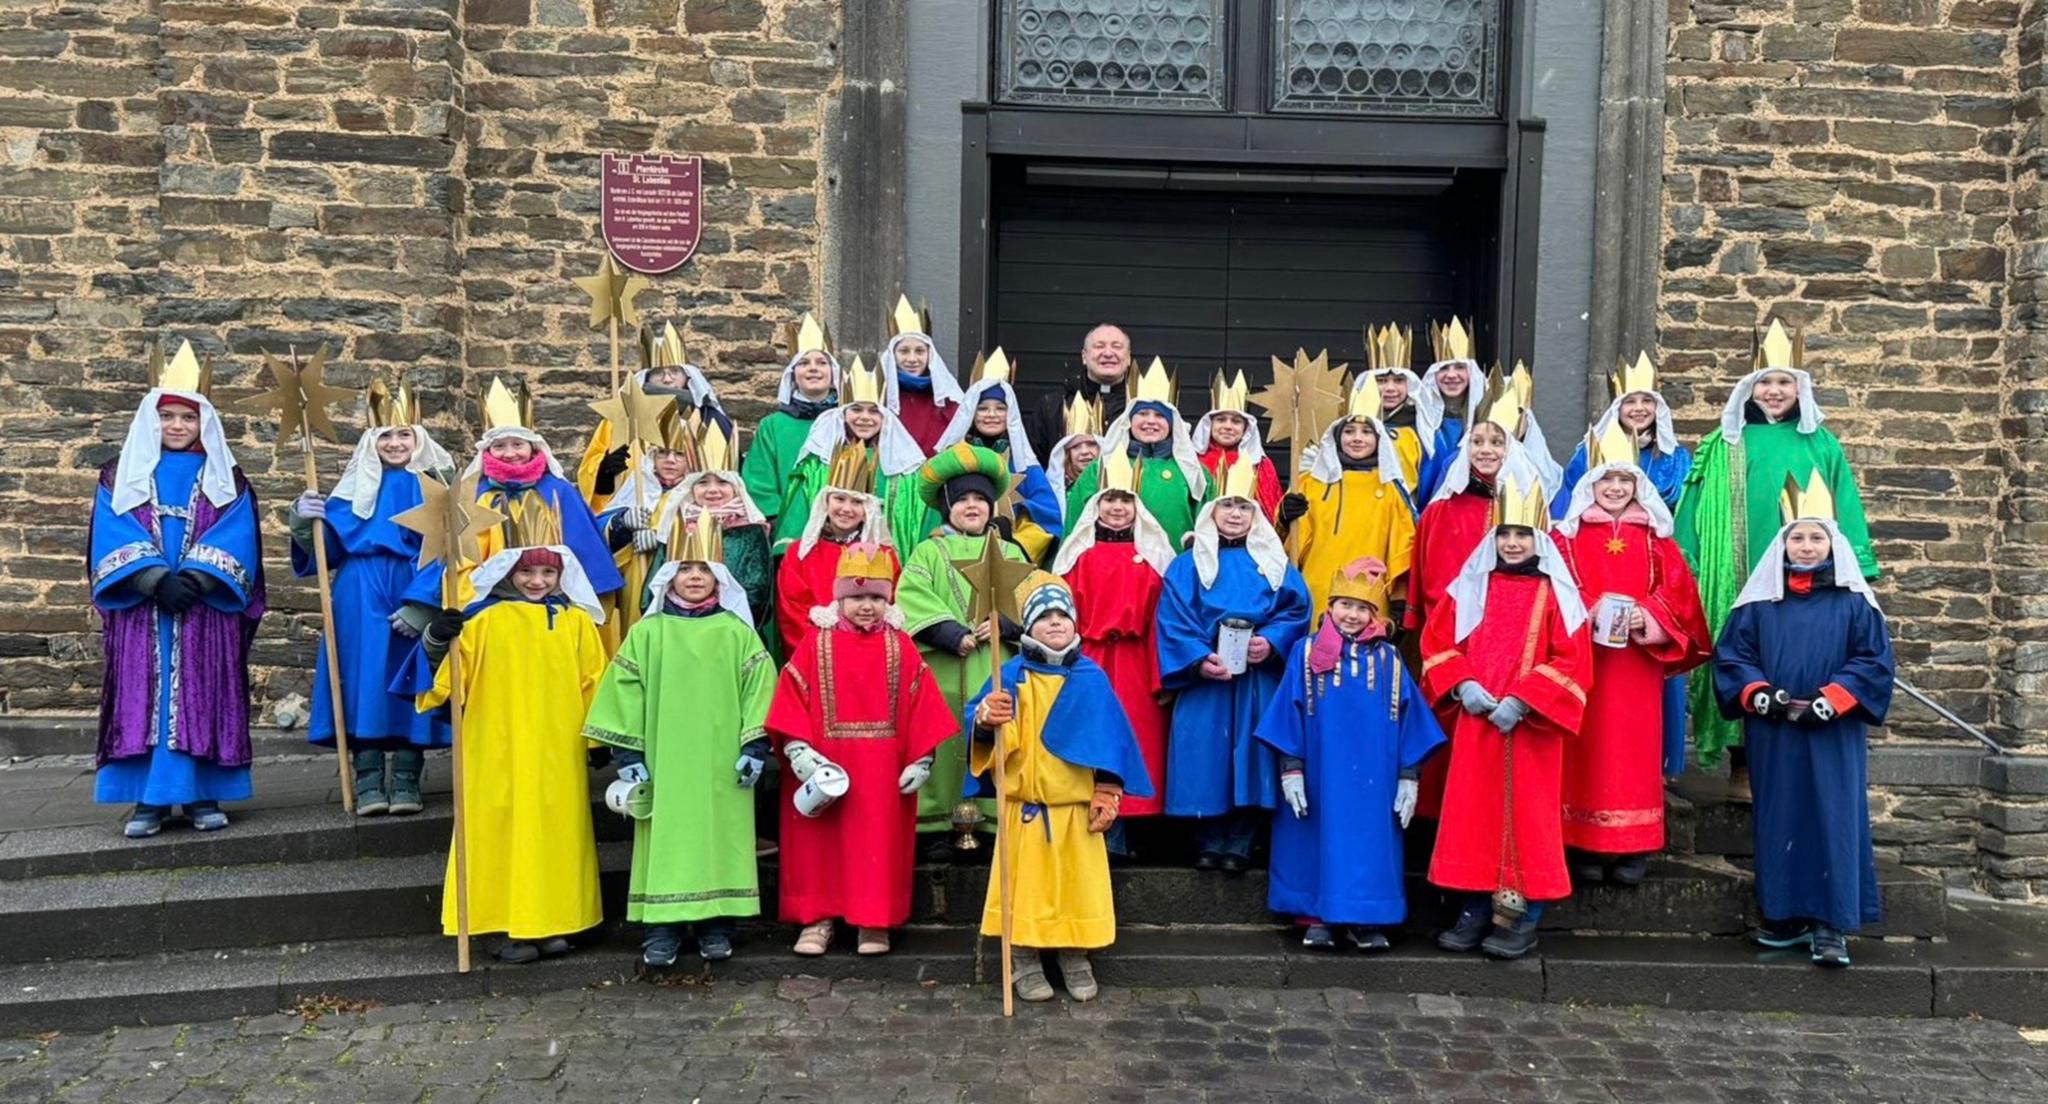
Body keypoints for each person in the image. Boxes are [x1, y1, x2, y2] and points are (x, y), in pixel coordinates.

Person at [1679, 320, 1879, 796]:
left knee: (1798, 664)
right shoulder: (1723, 444)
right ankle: (1741, 764)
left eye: (1783, 382)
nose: (1773, 391)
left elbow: (1844, 504)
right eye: (1764, 382)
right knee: (1744, 658)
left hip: (1807, 575)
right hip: (1739, 571)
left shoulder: (1822, 443)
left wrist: (1857, 571)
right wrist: (1688, 558)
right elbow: (1692, 507)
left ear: (1799, 388)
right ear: (1750, 387)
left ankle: (1793, 761)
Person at [408, 511, 606, 964]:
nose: (537, 581)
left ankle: (556, 919)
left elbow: (594, 681)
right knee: (500, 829)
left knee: (557, 832)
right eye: (527, 571)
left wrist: (598, 740)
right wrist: (438, 640)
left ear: (562, 574)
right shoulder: (482, 621)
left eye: (547, 572)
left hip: (557, 746)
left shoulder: (575, 623)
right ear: (509, 571)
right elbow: (446, 685)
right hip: (496, 744)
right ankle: (502, 923)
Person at [1714, 475, 1895, 968]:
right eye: (1798, 537)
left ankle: (1830, 923)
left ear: (1832, 542)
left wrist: (1833, 698)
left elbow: (1874, 661)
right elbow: (1734, 656)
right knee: (1781, 815)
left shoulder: (1855, 602)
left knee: (1832, 816)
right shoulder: (1758, 603)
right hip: (1775, 730)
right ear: (1783, 542)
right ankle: (1785, 915)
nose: (1808, 546)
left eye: (1817, 537)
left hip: (1832, 729)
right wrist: (1759, 693)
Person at [582, 507, 777, 965]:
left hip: (722, 760)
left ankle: (716, 924)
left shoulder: (737, 633)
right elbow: (623, 690)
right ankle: (661, 929)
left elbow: (760, 689)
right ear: (668, 578)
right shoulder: (648, 633)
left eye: (704, 570)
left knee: (719, 839)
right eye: (686, 569)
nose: (695, 577)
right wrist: (627, 749)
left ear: (719, 580)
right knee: (667, 843)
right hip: (664, 760)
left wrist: (754, 745)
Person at [89, 342, 266, 839]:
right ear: (152, 419)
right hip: (142, 608)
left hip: (202, 605)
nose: (176, 427)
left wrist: (198, 577)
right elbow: (111, 526)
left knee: (202, 689)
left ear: (203, 422)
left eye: (187, 418)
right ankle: (147, 799)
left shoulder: (227, 477)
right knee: (143, 694)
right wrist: (149, 578)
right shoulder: (118, 474)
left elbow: (238, 531)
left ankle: (202, 793)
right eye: (167, 417)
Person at [1420, 473, 1591, 961]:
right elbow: (1439, 641)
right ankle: (1474, 905)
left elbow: (1574, 660)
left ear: (1539, 539)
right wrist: (1463, 684)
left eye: (1522, 535)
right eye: (1504, 535)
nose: (1513, 544)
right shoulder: (1469, 588)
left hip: (1532, 728)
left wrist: (1525, 700)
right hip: (1478, 724)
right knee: (1475, 813)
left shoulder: (1558, 593)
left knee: (1529, 819)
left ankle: (1522, 914)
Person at [966, 571, 1154, 1002]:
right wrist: (985, 719)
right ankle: (1024, 957)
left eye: (1062, 615)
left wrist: (1107, 791)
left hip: (1075, 808)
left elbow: (1109, 741)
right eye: (1044, 616)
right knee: (1026, 889)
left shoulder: (1090, 678)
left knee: (1075, 887)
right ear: (1028, 626)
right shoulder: (1009, 674)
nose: (1055, 622)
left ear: (1075, 623)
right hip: (1027, 809)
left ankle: (1074, 954)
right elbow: (988, 736)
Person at [766, 543, 956, 956]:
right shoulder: (814, 643)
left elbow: (922, 700)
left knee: (877, 844)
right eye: (856, 597)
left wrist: (922, 758)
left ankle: (875, 920)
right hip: (823, 766)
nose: (866, 606)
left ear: (888, 599)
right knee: (818, 843)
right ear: (839, 597)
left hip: (882, 770)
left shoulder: (901, 645)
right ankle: (816, 919)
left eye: (875, 597)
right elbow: (791, 695)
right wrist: (798, 750)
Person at [1256, 558, 1445, 951]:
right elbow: (1287, 711)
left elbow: (1412, 720)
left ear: (1374, 614)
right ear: (1330, 607)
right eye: (1345, 605)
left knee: (1369, 844)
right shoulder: (1304, 653)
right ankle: (1316, 915)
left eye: (1363, 608)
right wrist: (1291, 769)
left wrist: (1409, 776)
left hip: (1374, 779)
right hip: (1319, 774)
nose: (1352, 615)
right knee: (1313, 836)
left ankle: (1366, 918)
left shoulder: (1390, 661)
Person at [1551, 425, 1711, 886]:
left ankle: (1632, 846)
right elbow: (1553, 591)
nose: (1616, 488)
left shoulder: (1656, 539)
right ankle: (1578, 837)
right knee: (1582, 746)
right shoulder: (1565, 538)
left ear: (1637, 484)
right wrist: (1588, 611)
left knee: (1634, 751)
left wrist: (1650, 617)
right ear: (1591, 485)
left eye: (1624, 480)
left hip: (1636, 664)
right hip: (1582, 661)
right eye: (1607, 481)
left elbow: (1679, 594)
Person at [289, 380, 455, 815]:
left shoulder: (439, 485)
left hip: (413, 581)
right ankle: (366, 780)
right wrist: (304, 522)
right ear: (372, 440)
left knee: (411, 677)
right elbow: (327, 551)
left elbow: (451, 547)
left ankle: (405, 777)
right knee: (361, 677)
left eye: (404, 435)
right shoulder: (355, 486)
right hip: (358, 589)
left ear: (418, 438)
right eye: (386, 435)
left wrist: (423, 605)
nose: (396, 443)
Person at [1156, 459, 1313, 872]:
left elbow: (1296, 610)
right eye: (1227, 507)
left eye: (1243, 508)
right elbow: (1173, 617)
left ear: (1255, 515)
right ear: (1212, 512)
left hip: (1257, 677)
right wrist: (1196, 657)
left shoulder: (1276, 564)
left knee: (1253, 752)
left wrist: (1272, 642)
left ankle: (1242, 841)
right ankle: (1207, 838)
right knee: (1204, 752)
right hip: (1206, 675)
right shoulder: (1187, 564)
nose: (1235, 515)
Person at [1553, 351, 1698, 779]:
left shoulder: (1677, 460)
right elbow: (1569, 512)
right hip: (1593, 584)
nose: (1638, 409)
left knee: (1645, 708)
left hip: (1649, 570)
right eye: (1630, 401)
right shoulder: (1587, 456)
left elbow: (1682, 519)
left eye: (1647, 401)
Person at [1405, 376, 1545, 819]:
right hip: (1455, 639)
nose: (1486, 450)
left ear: (1513, 450)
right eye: (1477, 441)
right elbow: (1427, 578)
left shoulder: (1531, 514)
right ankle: (1439, 819)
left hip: (1514, 642)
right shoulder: (1442, 510)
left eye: (1496, 442)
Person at [897, 444, 1032, 857]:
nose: (971, 507)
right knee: (942, 736)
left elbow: (1034, 599)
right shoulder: (928, 552)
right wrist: (950, 632)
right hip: (943, 666)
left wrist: (1007, 625)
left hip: (998, 666)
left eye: (980, 499)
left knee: (996, 734)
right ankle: (937, 823)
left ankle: (993, 821)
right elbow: (911, 596)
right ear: (946, 508)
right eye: (962, 500)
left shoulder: (1012, 552)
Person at [400, 376, 622, 616]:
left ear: (533, 447)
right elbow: (449, 556)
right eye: (499, 446)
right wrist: (422, 610)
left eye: (517, 444)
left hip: (552, 608)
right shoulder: (472, 493)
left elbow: (585, 548)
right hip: (486, 610)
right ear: (488, 450)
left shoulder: (559, 491)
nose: (509, 454)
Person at [1052, 451, 1176, 860]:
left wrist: (1161, 678)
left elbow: (1162, 621)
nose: (1118, 508)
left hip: (1138, 665)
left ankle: (1135, 833)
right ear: (1096, 505)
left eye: (1125, 501)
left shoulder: (1155, 562)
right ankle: (1095, 831)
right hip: (1090, 664)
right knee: (1093, 742)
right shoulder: (1077, 559)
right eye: (1110, 500)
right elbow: (1062, 615)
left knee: (1137, 744)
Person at [773, 355, 934, 557]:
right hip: (824, 569)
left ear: (886, 416)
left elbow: (925, 521)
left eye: (874, 411)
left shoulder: (907, 468)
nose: (864, 418)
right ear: (842, 414)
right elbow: (797, 520)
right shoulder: (817, 463)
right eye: (856, 410)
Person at [1281, 392, 1415, 621]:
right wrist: (1284, 517)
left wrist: (1399, 599)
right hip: (1317, 587)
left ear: (1379, 438)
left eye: (1366, 432)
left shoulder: (1391, 490)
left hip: (1369, 595)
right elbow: (1288, 540)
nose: (1357, 438)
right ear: (1336, 436)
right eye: (1349, 431)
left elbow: (1403, 547)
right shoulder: (1310, 482)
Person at [1062, 357, 1215, 551]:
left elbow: (1209, 527)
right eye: (1142, 414)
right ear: (1129, 421)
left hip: (1177, 571)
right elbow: (1075, 526)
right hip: (1117, 572)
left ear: (1172, 423)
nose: (1150, 421)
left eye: (1160, 416)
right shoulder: (1099, 469)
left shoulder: (1194, 472)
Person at [579, 321, 732, 512]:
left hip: (692, 515)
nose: (667, 379)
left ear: (687, 376)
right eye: (659, 373)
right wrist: (605, 471)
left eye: (674, 372)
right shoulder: (621, 417)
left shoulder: (708, 418)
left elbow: (727, 471)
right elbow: (589, 474)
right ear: (647, 377)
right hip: (632, 516)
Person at [935, 347, 1064, 559]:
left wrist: (1014, 543)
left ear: (1010, 413)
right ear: (971, 412)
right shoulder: (955, 460)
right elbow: (936, 513)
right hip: (958, 554)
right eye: (983, 408)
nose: (992, 415)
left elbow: (1048, 517)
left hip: (1009, 559)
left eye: (1000, 408)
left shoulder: (1024, 463)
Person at [594, 403, 705, 648]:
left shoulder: (700, 492)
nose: (670, 461)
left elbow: (707, 534)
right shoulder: (638, 486)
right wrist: (622, 523)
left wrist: (663, 538)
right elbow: (599, 530)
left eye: (679, 454)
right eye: (662, 453)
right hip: (637, 576)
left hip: (681, 582)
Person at [652, 422, 773, 640]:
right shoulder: (678, 526)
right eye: (703, 482)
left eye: (722, 482)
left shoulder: (750, 532)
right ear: (691, 488)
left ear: (735, 488)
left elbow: (758, 591)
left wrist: (723, 624)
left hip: (733, 632)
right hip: (676, 630)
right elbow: (656, 584)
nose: (713, 490)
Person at [775, 444, 898, 658]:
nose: (846, 509)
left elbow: (891, 605)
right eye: (839, 499)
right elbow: (792, 613)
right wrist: (827, 650)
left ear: (867, 509)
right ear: (826, 502)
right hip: (817, 655)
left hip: (870, 655)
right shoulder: (799, 554)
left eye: (857, 502)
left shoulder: (884, 556)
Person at [741, 312, 841, 528]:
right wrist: (779, 519)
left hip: (841, 525)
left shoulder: (847, 422)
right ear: (793, 374)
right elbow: (759, 480)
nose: (813, 368)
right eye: (804, 363)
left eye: (821, 362)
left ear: (833, 373)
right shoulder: (773, 425)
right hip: (790, 528)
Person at [1029, 322, 1132, 459]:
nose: (1108, 353)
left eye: (1117, 347)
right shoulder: (1051, 406)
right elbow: (1034, 462)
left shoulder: (1145, 409)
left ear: (1129, 357)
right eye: (1099, 346)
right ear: (1084, 356)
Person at [1191, 370, 1282, 523]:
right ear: (1210, 424)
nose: (1228, 426)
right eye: (1221, 420)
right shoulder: (1193, 462)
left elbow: (1271, 513)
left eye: (1236, 421)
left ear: (1246, 427)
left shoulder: (1260, 465)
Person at [1356, 324, 1437, 493]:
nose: (1390, 388)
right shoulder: (1350, 426)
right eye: (1382, 380)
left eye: (1399, 380)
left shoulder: (1422, 429)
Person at [881, 294, 966, 453]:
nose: (912, 359)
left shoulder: (947, 399)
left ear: (930, 355)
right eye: (904, 351)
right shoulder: (880, 393)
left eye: (919, 351)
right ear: (893, 354)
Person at [1415, 317, 1484, 503]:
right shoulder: (1420, 417)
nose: (1451, 375)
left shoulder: (1485, 414)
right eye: (1444, 368)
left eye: (1460, 367)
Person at [1045, 392, 1104, 515]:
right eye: (1076, 447)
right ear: (1067, 453)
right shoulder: (1054, 489)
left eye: (1091, 444)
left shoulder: (1107, 484)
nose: (1085, 452)